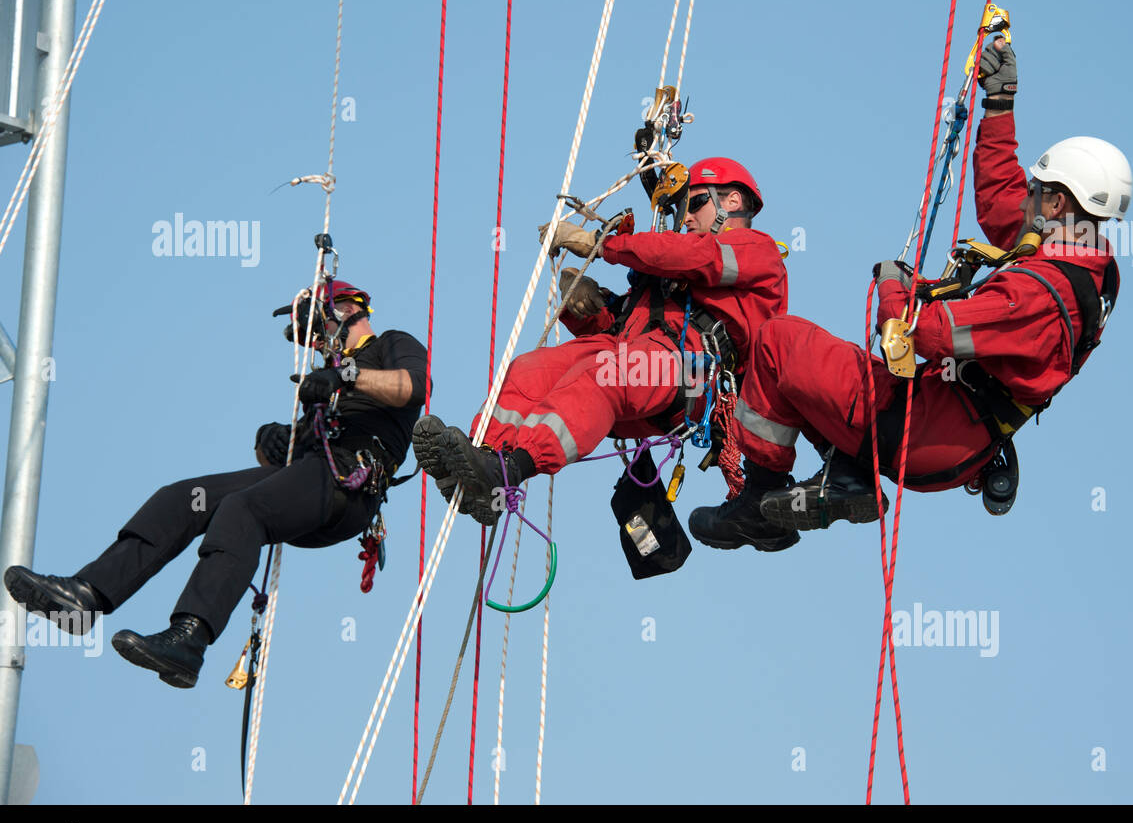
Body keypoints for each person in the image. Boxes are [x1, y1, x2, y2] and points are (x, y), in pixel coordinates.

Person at [689, 34, 1133, 550]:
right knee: (820, 372)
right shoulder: (1080, 259)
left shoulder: (1040, 291)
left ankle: (759, 501)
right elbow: (999, 204)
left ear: (1056, 205)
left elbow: (921, 335)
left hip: (928, 430)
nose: (1026, 196)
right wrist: (999, 104)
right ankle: (848, 475)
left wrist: (896, 288)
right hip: (950, 423)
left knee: (778, 344)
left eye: (1036, 190)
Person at [3, 281, 428, 687]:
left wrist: (346, 376)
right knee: (184, 498)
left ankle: (190, 639)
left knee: (242, 509)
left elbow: (413, 388)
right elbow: (279, 461)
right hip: (309, 478)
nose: (315, 345)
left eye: (317, 331)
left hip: (348, 485)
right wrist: (270, 440)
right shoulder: (327, 380)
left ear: (347, 311)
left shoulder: (392, 344)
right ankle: (88, 595)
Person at [415, 157, 795, 545]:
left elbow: (692, 256)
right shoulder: (674, 276)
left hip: (689, 372)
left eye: (694, 204)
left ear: (732, 201)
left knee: (608, 374)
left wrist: (601, 244)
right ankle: (485, 457)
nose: (685, 217)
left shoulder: (754, 251)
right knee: (531, 370)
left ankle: (513, 467)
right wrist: (587, 308)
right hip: (639, 360)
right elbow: (626, 327)